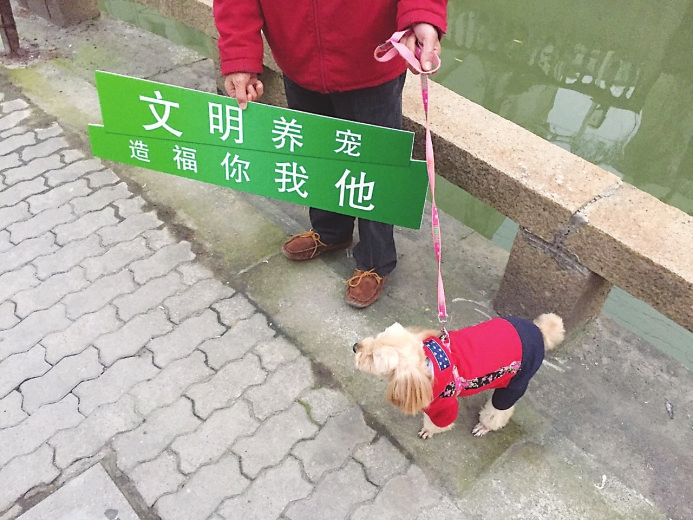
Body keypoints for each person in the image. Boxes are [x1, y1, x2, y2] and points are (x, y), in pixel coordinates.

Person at [213, 0, 448, 308]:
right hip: (298, 57)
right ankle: (330, 230)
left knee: (375, 167)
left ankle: (375, 261)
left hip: (370, 61)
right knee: (317, 152)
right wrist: (240, 57)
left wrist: (423, 16)